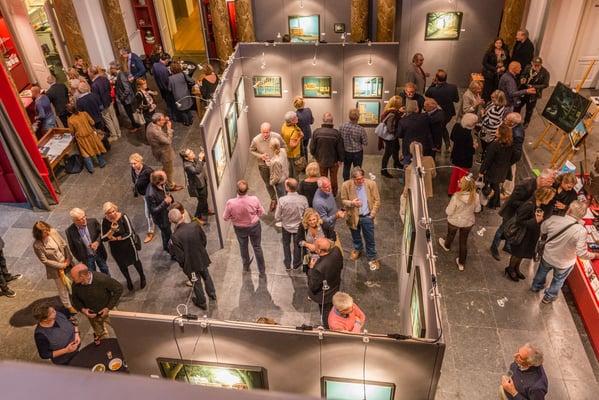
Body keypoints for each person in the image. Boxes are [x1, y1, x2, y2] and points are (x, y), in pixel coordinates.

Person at [532, 201, 596, 304]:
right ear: (582, 216)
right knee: (558, 280)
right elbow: (581, 253)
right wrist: (594, 255)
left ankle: (536, 286)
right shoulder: (581, 231)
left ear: (569, 210)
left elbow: (543, 230)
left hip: (548, 255)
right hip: (565, 262)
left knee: (542, 271)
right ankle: (549, 297)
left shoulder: (554, 219)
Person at [490, 169, 556, 261]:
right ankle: (494, 247)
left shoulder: (541, 187)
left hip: (523, 213)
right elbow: (513, 201)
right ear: (542, 178)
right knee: (503, 230)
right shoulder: (525, 185)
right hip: (511, 212)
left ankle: (508, 246)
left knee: (515, 230)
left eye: (552, 182)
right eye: (549, 182)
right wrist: (528, 205)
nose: (550, 184)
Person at [504, 186, 556, 282]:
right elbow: (519, 221)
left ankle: (516, 268)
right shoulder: (528, 205)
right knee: (517, 253)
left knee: (522, 253)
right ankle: (510, 268)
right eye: (549, 198)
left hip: (530, 234)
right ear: (544, 196)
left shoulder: (539, 204)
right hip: (522, 234)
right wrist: (535, 220)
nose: (550, 200)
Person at [168, 208, 216, 310]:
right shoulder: (195, 225)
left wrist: (184, 265)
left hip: (190, 264)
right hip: (201, 257)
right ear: (182, 216)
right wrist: (201, 251)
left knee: (196, 282)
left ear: (171, 221)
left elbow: (180, 256)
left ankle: (202, 302)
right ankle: (212, 294)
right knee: (206, 275)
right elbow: (204, 240)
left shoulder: (175, 237)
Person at [223, 180, 267, 278]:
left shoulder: (230, 203)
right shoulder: (254, 199)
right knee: (257, 247)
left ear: (236, 190)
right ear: (248, 189)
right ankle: (262, 272)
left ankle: (246, 266)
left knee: (243, 246)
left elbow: (225, 218)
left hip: (239, 228)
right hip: (254, 226)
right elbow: (261, 212)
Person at [32, 221, 77, 314]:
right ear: (38, 234)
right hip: (57, 269)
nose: (47, 232)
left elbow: (64, 244)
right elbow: (45, 260)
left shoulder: (53, 232)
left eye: (47, 229)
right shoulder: (37, 245)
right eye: (44, 232)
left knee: (74, 280)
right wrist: (62, 265)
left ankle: (77, 298)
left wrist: (68, 258)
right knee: (62, 288)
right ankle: (68, 306)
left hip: (67, 262)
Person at [438, 175, 481, 270]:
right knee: (463, 241)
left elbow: (449, 211)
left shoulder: (456, 196)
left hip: (454, 221)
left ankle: (446, 245)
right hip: (468, 222)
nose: (458, 181)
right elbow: (477, 210)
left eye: (460, 182)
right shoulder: (476, 196)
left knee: (450, 235)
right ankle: (461, 263)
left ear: (464, 186)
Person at [341, 167, 381, 269]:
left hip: (367, 216)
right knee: (355, 235)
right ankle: (358, 249)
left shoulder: (371, 184)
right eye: (358, 179)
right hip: (353, 217)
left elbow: (377, 200)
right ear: (353, 179)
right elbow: (343, 200)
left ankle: (372, 257)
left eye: (362, 178)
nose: (361, 181)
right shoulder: (346, 185)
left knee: (370, 238)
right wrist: (352, 203)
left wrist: (372, 213)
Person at [70, 263, 123, 340]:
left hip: (108, 311)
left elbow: (119, 288)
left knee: (120, 328)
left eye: (73, 277)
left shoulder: (102, 279)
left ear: (82, 276)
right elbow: (75, 299)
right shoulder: (75, 284)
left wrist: (108, 308)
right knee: (100, 335)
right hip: (92, 316)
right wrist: (83, 310)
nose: (71, 279)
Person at [101, 202, 146, 291]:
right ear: (106, 214)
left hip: (128, 245)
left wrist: (117, 238)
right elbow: (103, 238)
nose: (112, 214)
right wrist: (111, 231)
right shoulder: (104, 221)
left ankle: (142, 277)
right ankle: (128, 280)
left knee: (135, 261)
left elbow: (129, 232)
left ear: (115, 209)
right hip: (116, 249)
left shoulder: (123, 217)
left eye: (113, 211)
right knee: (122, 265)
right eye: (109, 213)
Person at [249, 122, 286, 212]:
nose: (265, 134)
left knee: (278, 183)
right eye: (263, 132)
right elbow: (251, 150)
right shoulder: (256, 140)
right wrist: (260, 156)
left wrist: (277, 156)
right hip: (263, 165)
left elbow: (284, 146)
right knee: (268, 183)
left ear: (270, 130)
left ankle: (282, 202)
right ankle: (273, 199)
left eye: (267, 132)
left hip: (276, 165)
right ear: (260, 131)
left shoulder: (276, 136)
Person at [307, 237, 343, 329]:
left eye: (315, 246)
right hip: (335, 285)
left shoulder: (318, 268)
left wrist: (311, 268)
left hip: (325, 295)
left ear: (319, 251)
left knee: (326, 313)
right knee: (332, 308)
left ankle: (327, 328)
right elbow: (341, 266)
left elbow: (313, 286)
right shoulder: (336, 250)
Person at [479, 124, 516, 209]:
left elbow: (488, 160)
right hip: (503, 171)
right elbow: (514, 156)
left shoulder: (495, 145)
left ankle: (487, 201)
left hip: (493, 171)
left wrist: (481, 171)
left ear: (500, 134)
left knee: (489, 186)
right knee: (496, 187)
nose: (496, 131)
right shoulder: (510, 144)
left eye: (497, 130)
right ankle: (495, 203)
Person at [65, 207, 110, 276]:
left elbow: (101, 233)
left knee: (105, 270)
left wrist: (97, 242)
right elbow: (72, 248)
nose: (84, 220)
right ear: (74, 221)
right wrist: (81, 259)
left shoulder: (93, 222)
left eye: (84, 216)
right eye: (80, 219)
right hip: (87, 258)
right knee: (93, 275)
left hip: (99, 253)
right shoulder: (70, 231)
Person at [275, 178, 308, 270]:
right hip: (299, 227)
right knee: (297, 245)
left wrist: (283, 219)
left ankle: (287, 264)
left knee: (286, 244)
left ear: (288, 188)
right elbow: (306, 214)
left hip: (286, 226)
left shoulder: (282, 200)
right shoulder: (303, 199)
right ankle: (296, 263)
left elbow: (277, 217)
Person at [146, 113, 183, 191]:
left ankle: (160, 175)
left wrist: (165, 121)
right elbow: (168, 141)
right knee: (169, 170)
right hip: (164, 153)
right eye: (162, 120)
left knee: (166, 167)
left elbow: (160, 129)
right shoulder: (156, 133)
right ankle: (170, 185)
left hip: (157, 150)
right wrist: (169, 129)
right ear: (158, 122)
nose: (164, 121)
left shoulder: (151, 125)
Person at [425, 69, 459, 152]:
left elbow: (427, 93)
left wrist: (433, 84)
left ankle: (438, 147)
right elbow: (456, 100)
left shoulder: (433, 90)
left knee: (439, 129)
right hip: (448, 114)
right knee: (442, 127)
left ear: (436, 78)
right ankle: (448, 146)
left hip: (437, 114)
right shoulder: (453, 87)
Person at [310, 112, 344, 196]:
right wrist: (341, 159)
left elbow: (312, 147)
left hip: (321, 160)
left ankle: (324, 192)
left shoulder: (316, 132)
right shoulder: (336, 133)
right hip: (334, 161)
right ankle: (334, 194)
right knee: (334, 178)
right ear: (332, 121)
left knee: (323, 177)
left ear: (323, 120)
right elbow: (340, 148)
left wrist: (314, 155)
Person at [447, 113, 479, 195]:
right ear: (471, 124)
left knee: (455, 174)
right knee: (462, 178)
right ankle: (458, 193)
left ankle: (451, 191)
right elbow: (470, 151)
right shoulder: (467, 134)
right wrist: (474, 146)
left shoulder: (457, 126)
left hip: (456, 155)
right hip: (464, 159)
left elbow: (452, 137)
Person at [179, 147, 213, 223]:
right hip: (198, 185)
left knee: (204, 198)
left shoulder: (193, 158)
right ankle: (197, 216)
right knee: (202, 201)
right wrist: (200, 159)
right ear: (186, 158)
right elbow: (197, 170)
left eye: (191, 151)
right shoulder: (187, 166)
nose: (192, 152)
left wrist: (204, 156)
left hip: (202, 181)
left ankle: (205, 211)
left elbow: (201, 164)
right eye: (189, 153)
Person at [146, 170, 174, 253]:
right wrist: (165, 202)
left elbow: (167, 193)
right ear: (159, 181)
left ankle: (165, 246)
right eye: (165, 177)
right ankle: (170, 250)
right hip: (161, 219)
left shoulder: (162, 184)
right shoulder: (150, 194)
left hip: (166, 214)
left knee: (165, 232)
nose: (167, 178)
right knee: (168, 234)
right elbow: (153, 210)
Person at [88, 65, 120, 140]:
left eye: (89, 72)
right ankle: (118, 132)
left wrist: (99, 106)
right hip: (109, 100)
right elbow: (109, 89)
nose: (88, 74)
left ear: (92, 73)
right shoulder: (104, 78)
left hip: (102, 104)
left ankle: (114, 135)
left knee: (108, 120)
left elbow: (96, 97)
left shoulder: (94, 85)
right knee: (114, 117)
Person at [130, 153, 155, 243]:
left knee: (148, 213)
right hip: (143, 194)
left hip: (150, 194)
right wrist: (138, 192)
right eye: (131, 164)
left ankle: (151, 231)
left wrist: (150, 193)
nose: (133, 166)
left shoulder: (148, 171)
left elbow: (154, 182)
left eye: (135, 163)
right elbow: (135, 181)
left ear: (140, 162)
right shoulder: (133, 170)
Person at [109, 60, 141, 132]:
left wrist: (122, 98)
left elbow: (127, 89)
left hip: (127, 99)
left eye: (111, 68)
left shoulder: (121, 75)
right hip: (126, 99)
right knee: (129, 113)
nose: (110, 70)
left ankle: (136, 126)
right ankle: (134, 124)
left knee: (131, 113)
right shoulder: (119, 75)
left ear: (114, 68)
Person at [338, 108, 368, 181]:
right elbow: (365, 142)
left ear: (349, 116)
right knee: (357, 169)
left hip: (346, 151)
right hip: (357, 152)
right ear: (358, 117)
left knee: (346, 168)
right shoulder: (360, 129)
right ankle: (356, 182)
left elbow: (339, 139)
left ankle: (346, 182)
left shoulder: (342, 126)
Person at [521, 57, 550, 127]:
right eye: (535, 65)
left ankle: (526, 122)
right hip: (524, 90)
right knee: (518, 105)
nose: (536, 67)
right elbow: (523, 74)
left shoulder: (545, 73)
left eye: (538, 65)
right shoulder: (528, 67)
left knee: (529, 109)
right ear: (532, 63)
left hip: (533, 94)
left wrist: (534, 86)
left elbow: (546, 84)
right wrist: (522, 78)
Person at [379, 95, 404, 178]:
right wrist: (397, 132)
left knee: (396, 148)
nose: (402, 104)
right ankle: (383, 170)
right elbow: (390, 128)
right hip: (390, 137)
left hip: (392, 137)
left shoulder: (390, 111)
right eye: (400, 103)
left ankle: (396, 163)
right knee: (387, 153)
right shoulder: (392, 114)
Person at [479, 90, 507, 162]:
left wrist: (482, 114)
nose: (491, 96)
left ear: (498, 99)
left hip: (489, 130)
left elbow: (490, 122)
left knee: (486, 144)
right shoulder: (497, 104)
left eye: (493, 97)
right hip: (489, 128)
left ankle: (484, 158)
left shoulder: (496, 110)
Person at [502, 112, 525, 197]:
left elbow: (517, 152)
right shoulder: (513, 127)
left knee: (510, 173)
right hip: (507, 155)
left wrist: (510, 162)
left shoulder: (517, 134)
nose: (504, 119)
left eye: (507, 119)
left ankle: (508, 191)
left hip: (510, 158)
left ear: (512, 123)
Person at [481, 37, 510, 102]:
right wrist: (495, 69)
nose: (498, 44)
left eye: (500, 43)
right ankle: (485, 102)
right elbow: (484, 63)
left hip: (500, 74)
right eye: (497, 43)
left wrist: (505, 67)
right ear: (494, 43)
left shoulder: (505, 51)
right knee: (487, 88)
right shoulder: (490, 52)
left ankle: (493, 102)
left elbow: (508, 61)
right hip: (490, 73)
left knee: (496, 88)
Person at [168, 61, 195, 126]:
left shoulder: (170, 78)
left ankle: (186, 122)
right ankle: (190, 120)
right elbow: (192, 81)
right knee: (187, 108)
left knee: (182, 110)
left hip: (178, 96)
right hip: (185, 94)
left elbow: (169, 89)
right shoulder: (183, 74)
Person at [152, 53, 176, 121]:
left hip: (160, 87)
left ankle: (171, 114)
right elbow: (167, 81)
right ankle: (173, 116)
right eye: (168, 61)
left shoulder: (154, 65)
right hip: (166, 88)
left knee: (167, 102)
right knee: (171, 103)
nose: (168, 62)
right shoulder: (164, 69)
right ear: (166, 60)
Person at [280, 111, 304, 180]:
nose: (297, 118)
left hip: (287, 151)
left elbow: (282, 136)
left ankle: (290, 181)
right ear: (292, 121)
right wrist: (300, 137)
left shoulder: (284, 125)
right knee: (296, 171)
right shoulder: (294, 132)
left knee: (291, 167)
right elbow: (292, 145)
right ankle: (295, 184)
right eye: (296, 117)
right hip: (294, 153)